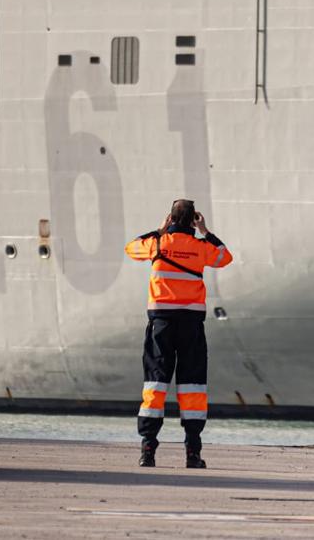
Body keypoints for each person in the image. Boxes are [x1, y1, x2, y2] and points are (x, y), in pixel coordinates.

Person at [124, 199, 233, 468]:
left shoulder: (158, 245)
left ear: (171, 218)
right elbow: (225, 257)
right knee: (192, 386)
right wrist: (205, 231)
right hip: (191, 327)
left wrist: (160, 231)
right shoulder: (200, 248)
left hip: (161, 325)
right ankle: (192, 453)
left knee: (156, 384)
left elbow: (130, 248)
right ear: (193, 221)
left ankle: (147, 450)